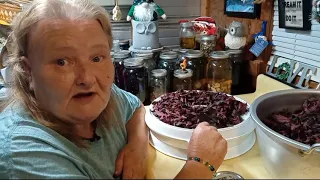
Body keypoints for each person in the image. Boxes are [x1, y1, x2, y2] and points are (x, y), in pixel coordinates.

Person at [0, 0, 227, 179]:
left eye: (97, 57)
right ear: (28, 71)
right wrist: (200, 166)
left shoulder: (93, 96)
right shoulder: (24, 154)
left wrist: (137, 146)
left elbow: (135, 107)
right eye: (62, 62)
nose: (87, 79)